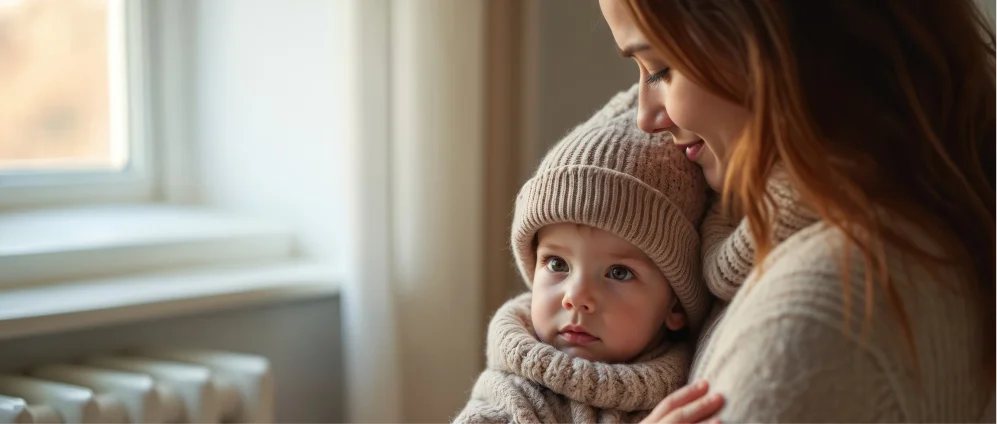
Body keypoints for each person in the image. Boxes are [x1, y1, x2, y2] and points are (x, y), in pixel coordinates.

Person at [597, 0, 996, 422]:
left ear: (771, 44)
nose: (644, 117)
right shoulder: (911, 216)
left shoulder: (815, 319)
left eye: (661, 69)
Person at [452, 85, 713, 423]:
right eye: (557, 264)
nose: (576, 297)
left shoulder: (689, 390)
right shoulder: (514, 396)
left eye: (618, 272)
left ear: (674, 304)